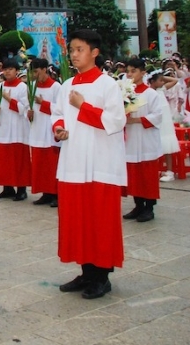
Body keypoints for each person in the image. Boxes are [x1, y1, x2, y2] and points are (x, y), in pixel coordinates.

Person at [52, 29, 127, 300]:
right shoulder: (67, 84)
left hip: (100, 163)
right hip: (73, 161)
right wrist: (59, 128)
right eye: (72, 50)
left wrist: (83, 107)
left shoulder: (107, 84)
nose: (74, 54)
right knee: (78, 219)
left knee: (100, 220)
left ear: (94, 52)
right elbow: (58, 114)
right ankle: (85, 271)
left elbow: (116, 122)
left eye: (80, 49)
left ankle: (102, 276)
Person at [122, 59, 163, 222]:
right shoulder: (126, 93)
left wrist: (137, 120)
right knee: (134, 174)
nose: (130, 74)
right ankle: (138, 205)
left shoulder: (151, 93)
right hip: (132, 139)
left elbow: (158, 115)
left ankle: (149, 207)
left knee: (147, 174)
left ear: (143, 73)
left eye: (134, 71)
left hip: (146, 140)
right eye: (128, 71)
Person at [0, 58, 31, 201]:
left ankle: (21, 189)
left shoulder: (22, 87)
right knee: (4, 160)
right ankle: (7, 187)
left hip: (17, 129)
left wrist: (8, 99)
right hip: (2, 128)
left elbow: (24, 108)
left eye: (10, 69)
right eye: (5, 69)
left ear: (17, 71)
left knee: (18, 160)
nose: (7, 72)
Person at [27, 58, 61, 207]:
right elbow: (27, 106)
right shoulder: (32, 86)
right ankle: (45, 192)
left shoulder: (56, 87)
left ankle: (55, 193)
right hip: (37, 128)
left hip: (49, 129)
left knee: (51, 163)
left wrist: (43, 104)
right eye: (32, 72)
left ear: (44, 69)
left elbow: (60, 109)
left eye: (36, 71)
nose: (34, 75)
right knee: (39, 163)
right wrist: (28, 113)